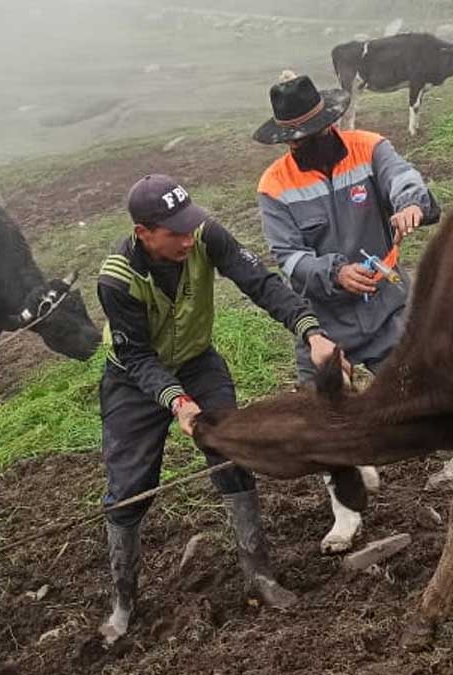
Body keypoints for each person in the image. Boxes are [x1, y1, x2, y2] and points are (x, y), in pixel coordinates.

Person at [95, 173, 345, 642]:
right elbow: (137, 357)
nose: (187, 239)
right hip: (133, 380)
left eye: (189, 226)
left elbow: (261, 283)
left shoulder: (206, 234)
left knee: (232, 451)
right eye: (174, 232)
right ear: (143, 232)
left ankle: (260, 574)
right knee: (131, 488)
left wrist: (311, 331)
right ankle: (123, 601)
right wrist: (178, 402)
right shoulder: (117, 279)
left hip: (197, 362)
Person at [252, 73, 438, 554]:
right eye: (292, 139)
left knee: (427, 389)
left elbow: (404, 177)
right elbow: (288, 257)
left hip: (387, 307)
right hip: (324, 322)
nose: (300, 146)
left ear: (329, 125)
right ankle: (346, 513)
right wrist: (335, 273)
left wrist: (409, 205)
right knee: (323, 415)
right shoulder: (274, 185)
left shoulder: (369, 148)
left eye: (308, 135)